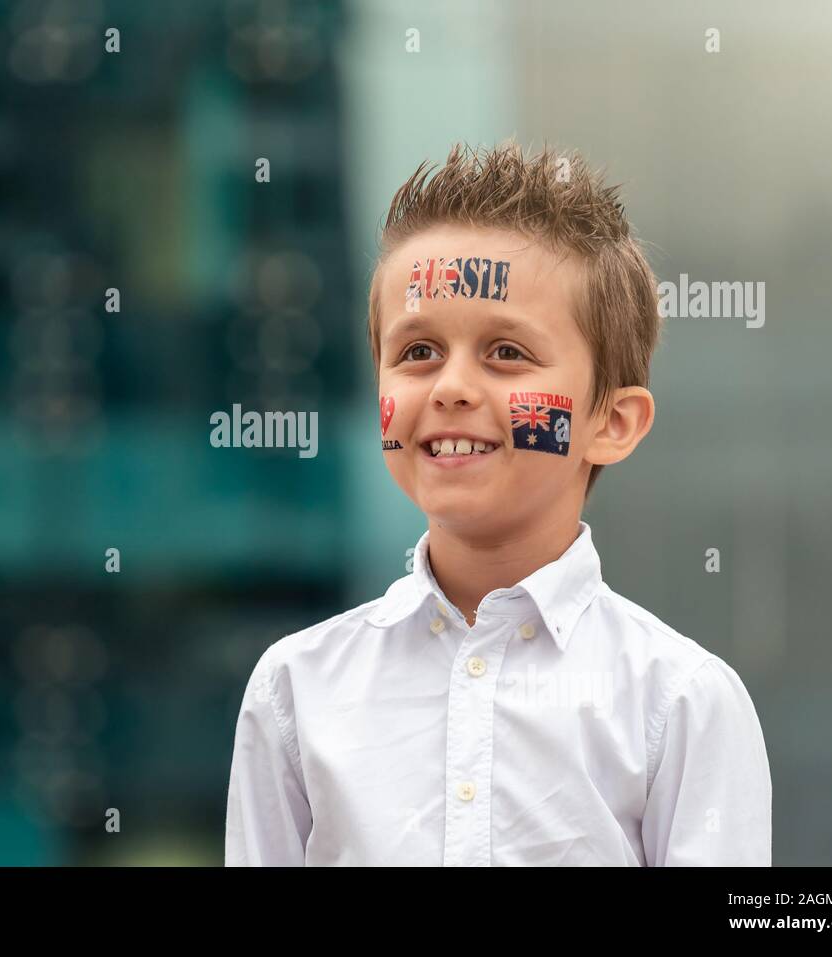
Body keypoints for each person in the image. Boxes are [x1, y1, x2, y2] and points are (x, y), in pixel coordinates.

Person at [224, 141, 772, 866]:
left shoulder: (681, 701)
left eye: (506, 353)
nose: (449, 386)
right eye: (417, 352)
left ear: (611, 422)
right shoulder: (295, 688)